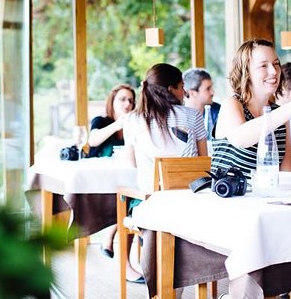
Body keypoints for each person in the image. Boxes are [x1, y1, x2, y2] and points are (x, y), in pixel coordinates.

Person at [122, 63, 207, 283]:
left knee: (129, 195)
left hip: (151, 204)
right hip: (190, 201)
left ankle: (154, 268)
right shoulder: (193, 116)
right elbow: (203, 164)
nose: (185, 92)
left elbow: (131, 163)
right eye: (182, 86)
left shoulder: (132, 120)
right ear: (171, 89)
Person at [212, 38, 291, 177]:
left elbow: (285, 175)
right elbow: (241, 139)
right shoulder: (232, 104)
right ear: (246, 72)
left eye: (276, 64)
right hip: (230, 198)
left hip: (266, 198)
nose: (274, 71)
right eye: (263, 66)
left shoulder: (280, 114)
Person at [86, 83, 135, 259]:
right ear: (112, 101)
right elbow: (93, 141)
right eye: (122, 99)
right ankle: (111, 238)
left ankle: (111, 237)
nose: (127, 104)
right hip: (100, 182)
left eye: (130, 100)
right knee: (129, 199)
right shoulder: (101, 121)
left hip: (123, 180)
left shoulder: (133, 125)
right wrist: (117, 125)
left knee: (134, 196)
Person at [182, 67, 221, 137]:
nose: (213, 92)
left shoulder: (219, 112)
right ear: (192, 93)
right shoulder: (180, 119)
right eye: (208, 89)